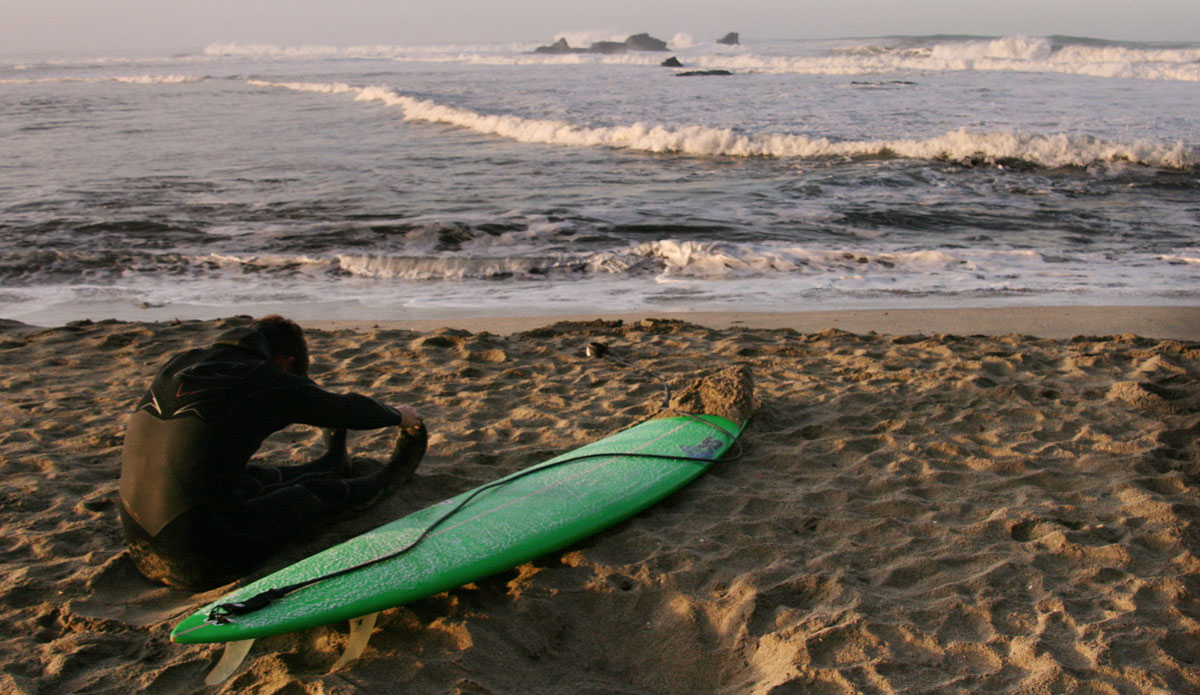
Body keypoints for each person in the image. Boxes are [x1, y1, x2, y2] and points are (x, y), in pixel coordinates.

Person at [118, 315, 427, 590]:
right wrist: (399, 415)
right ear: (285, 362)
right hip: (195, 561)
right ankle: (394, 473)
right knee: (306, 497)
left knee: (249, 481)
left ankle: (331, 464)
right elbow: (342, 409)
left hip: (141, 546)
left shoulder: (180, 362)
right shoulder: (264, 377)